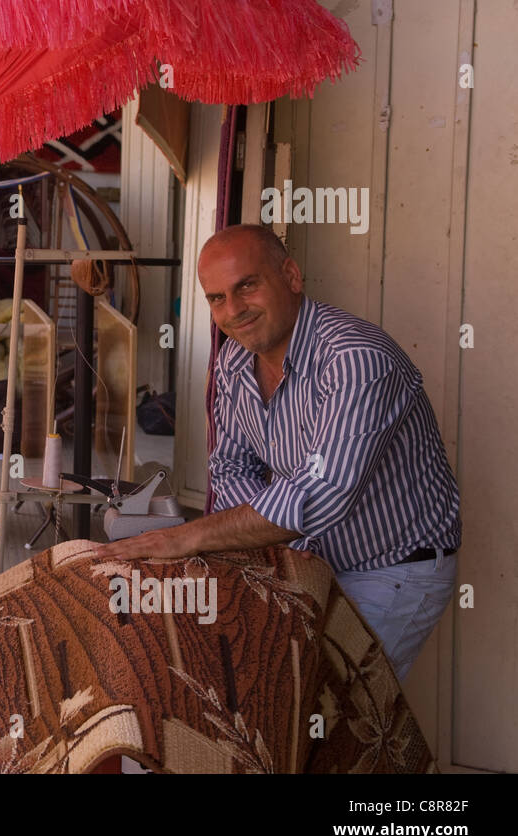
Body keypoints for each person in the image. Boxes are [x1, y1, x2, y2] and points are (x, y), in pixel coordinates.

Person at [86, 225, 461, 681]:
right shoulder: (233, 360)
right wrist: (281, 538)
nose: (234, 310)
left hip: (391, 568)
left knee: (328, 712)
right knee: (255, 693)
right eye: (217, 298)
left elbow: (320, 495)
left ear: (291, 276)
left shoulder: (356, 359)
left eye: (247, 285)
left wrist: (189, 537)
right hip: (304, 558)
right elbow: (230, 468)